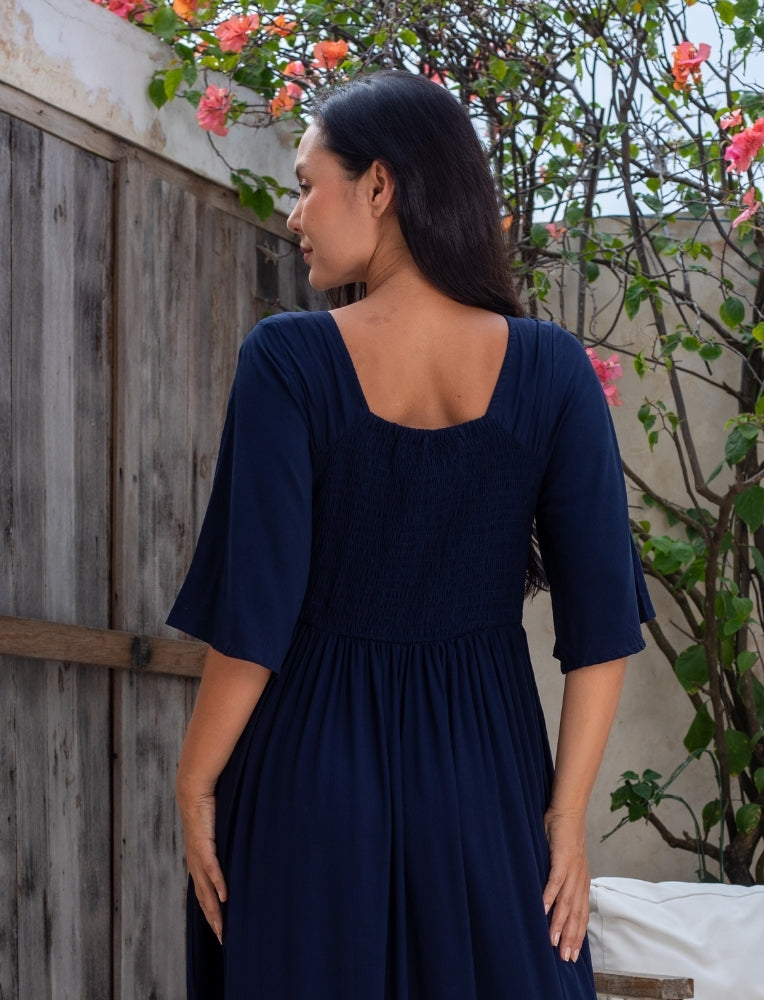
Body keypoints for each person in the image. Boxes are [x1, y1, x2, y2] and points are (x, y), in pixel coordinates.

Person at [168, 69, 654, 1000]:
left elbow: (255, 621)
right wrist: (565, 817)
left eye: (310, 182)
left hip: (309, 771)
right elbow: (601, 628)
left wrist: (195, 783)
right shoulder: (551, 370)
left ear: (380, 187)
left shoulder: (288, 358)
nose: (296, 213)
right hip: (489, 772)